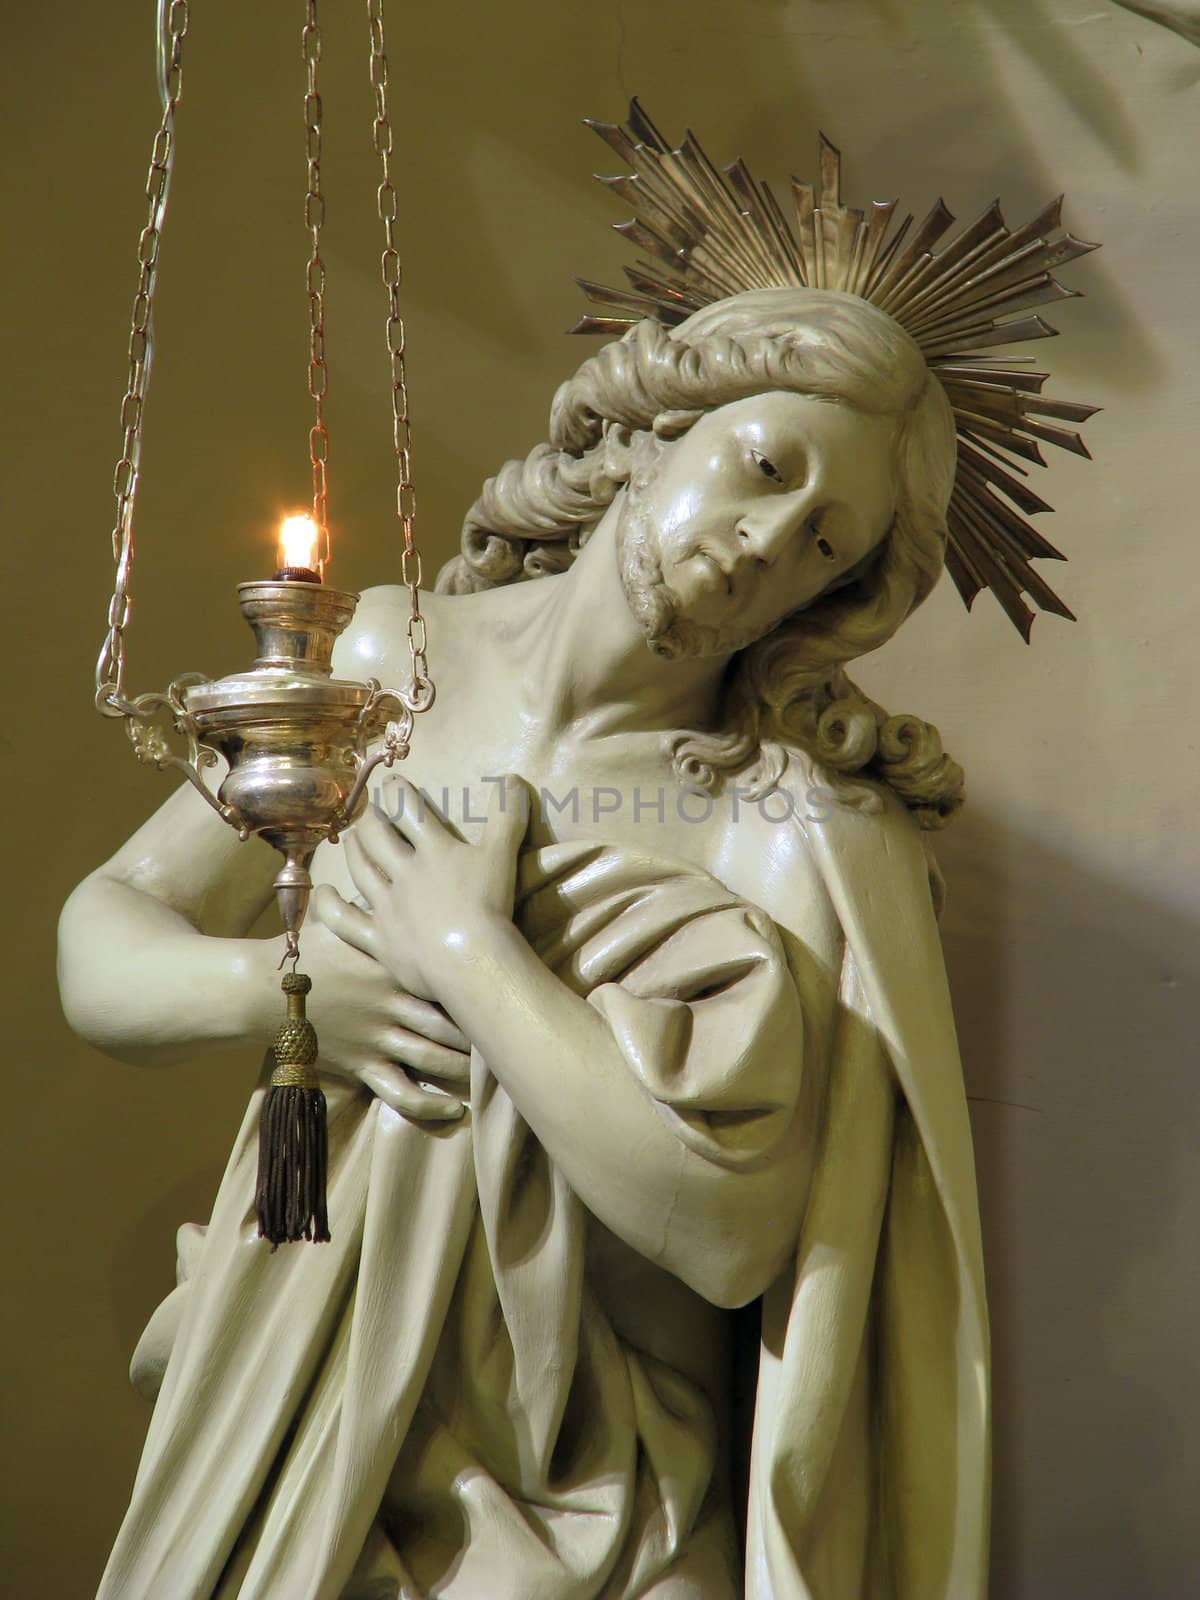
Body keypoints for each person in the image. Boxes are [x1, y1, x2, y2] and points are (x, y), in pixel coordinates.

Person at [59, 288, 989, 1599]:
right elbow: (102, 935)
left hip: (606, 1504)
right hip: (299, 1399)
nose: (761, 543)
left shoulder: (782, 824)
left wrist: (464, 949)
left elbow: (732, 1236)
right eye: (762, 469)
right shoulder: (382, 663)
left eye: (820, 545)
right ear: (658, 430)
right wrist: (287, 998)